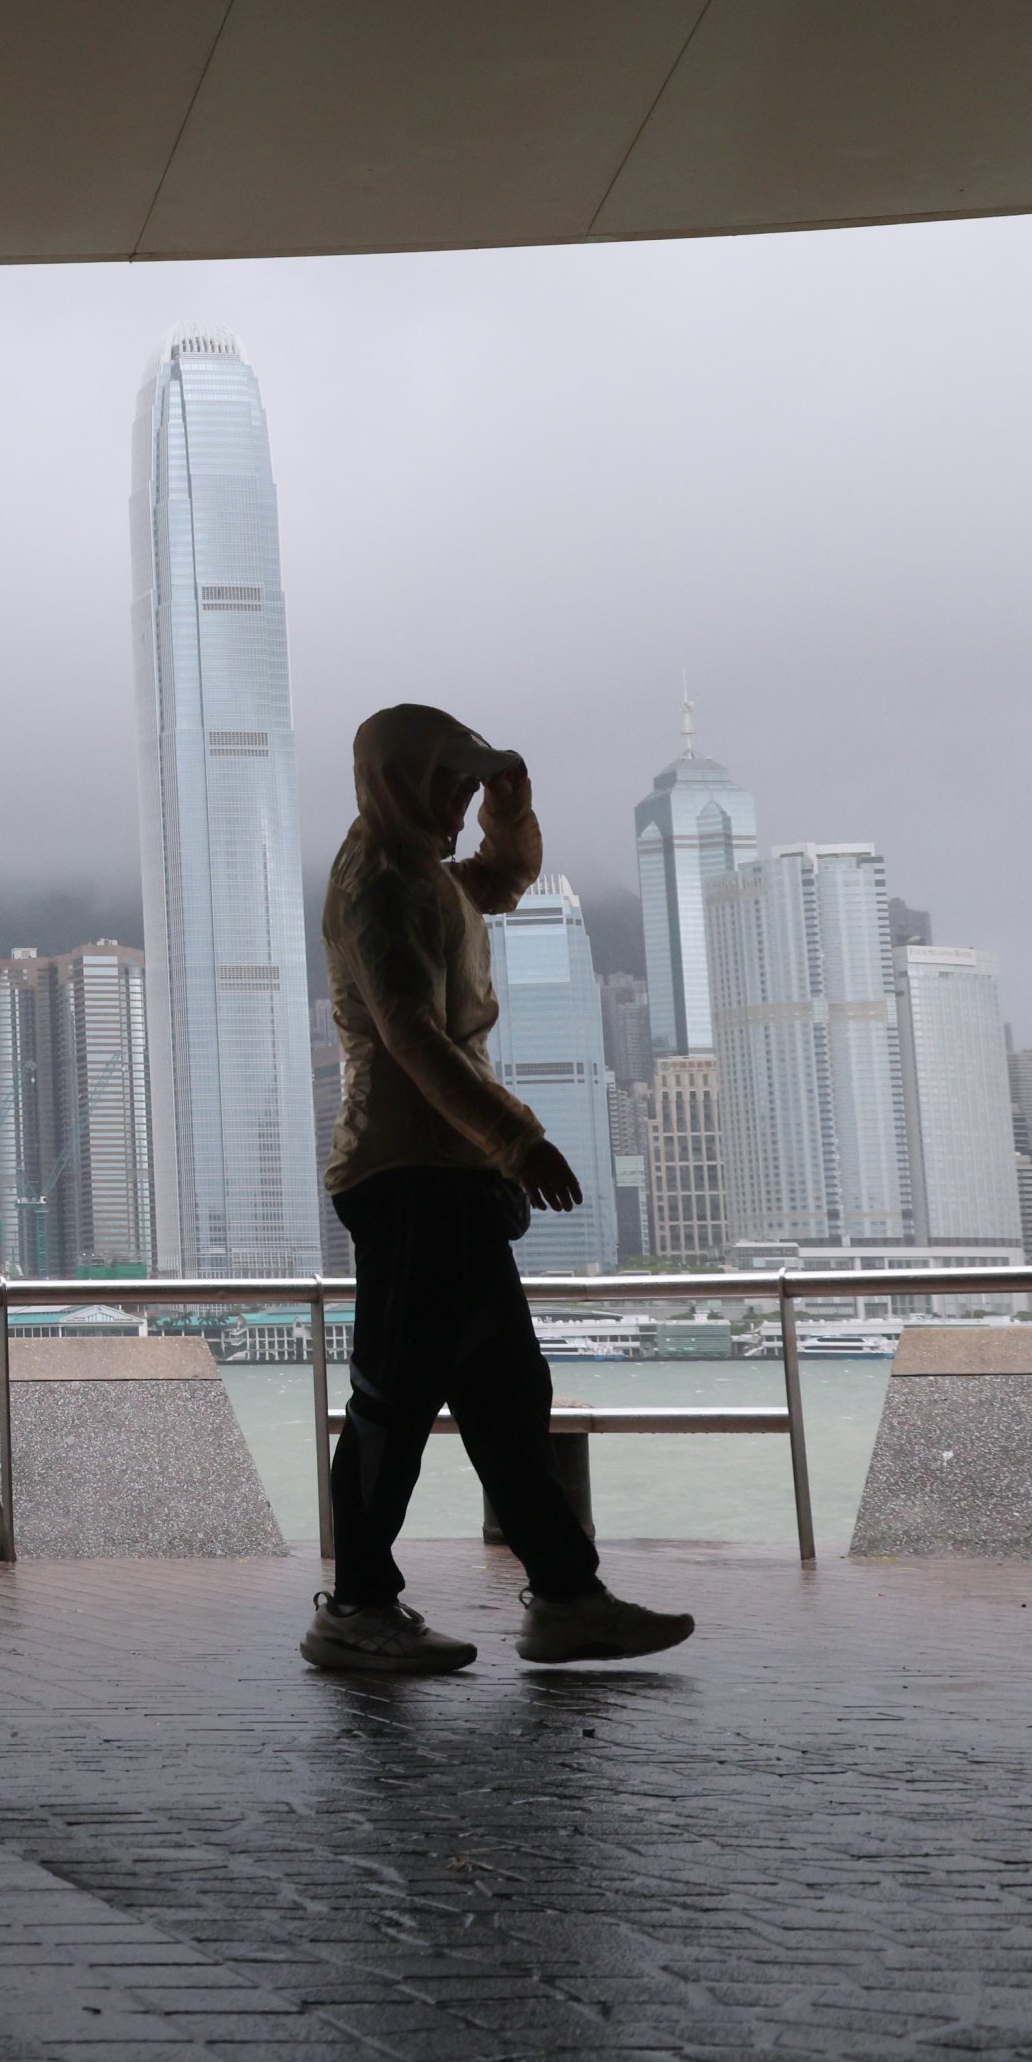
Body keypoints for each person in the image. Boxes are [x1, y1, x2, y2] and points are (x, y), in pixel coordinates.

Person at [311, 706, 697, 1675]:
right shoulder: (377, 887)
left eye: (467, 782)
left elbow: (500, 881)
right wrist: (516, 1137)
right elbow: (409, 1033)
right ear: (397, 782)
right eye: (445, 781)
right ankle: (355, 1604)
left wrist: (511, 809)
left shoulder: (422, 874)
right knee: (391, 1401)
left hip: (450, 1171)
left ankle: (566, 1594)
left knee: (504, 1393)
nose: (458, 798)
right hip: (405, 1173)